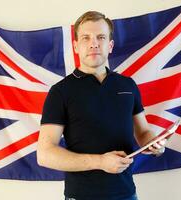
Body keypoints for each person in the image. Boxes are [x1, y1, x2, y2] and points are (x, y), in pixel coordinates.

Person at [37, 11, 167, 200]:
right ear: (76, 46)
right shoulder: (60, 92)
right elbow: (45, 154)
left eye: (101, 37)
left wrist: (155, 144)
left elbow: (143, 132)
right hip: (81, 196)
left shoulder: (127, 85)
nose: (94, 43)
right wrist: (100, 162)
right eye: (86, 38)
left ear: (110, 45)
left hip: (126, 193)